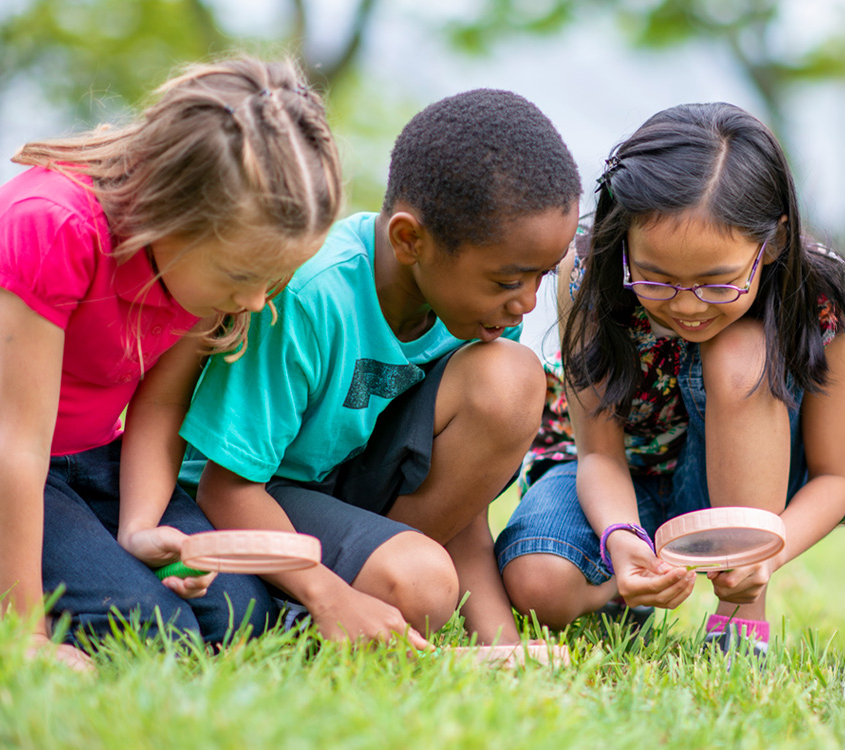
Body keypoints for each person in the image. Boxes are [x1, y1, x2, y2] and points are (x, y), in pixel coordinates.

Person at [0, 56, 343, 668]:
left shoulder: (207, 267)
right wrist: (23, 632)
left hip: (91, 454)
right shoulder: (53, 227)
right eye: (242, 276)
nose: (254, 301)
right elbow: (18, 443)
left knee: (243, 616)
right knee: (156, 635)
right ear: (176, 214)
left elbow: (156, 403)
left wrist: (138, 529)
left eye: (273, 277)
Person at [178, 88, 581, 647]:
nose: (528, 304)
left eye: (543, 275)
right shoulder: (311, 295)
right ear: (410, 240)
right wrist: (330, 595)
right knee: (422, 588)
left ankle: (381, 584)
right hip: (259, 499)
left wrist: (504, 647)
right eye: (511, 280)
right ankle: (324, 604)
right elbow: (224, 490)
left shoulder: (483, 311)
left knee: (512, 379)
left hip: (351, 492)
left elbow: (461, 505)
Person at [496, 102, 845, 653]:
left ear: (774, 242)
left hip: (755, 491)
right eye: (656, 279)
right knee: (537, 584)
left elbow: (837, 478)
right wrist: (620, 537)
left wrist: (767, 555)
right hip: (624, 480)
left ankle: (739, 624)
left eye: (717, 284)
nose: (686, 308)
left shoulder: (823, 294)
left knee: (740, 350)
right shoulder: (590, 273)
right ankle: (630, 595)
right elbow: (598, 456)